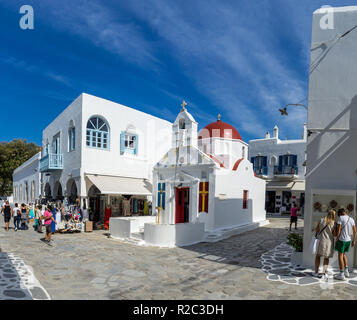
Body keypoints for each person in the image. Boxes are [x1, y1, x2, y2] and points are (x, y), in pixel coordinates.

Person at [312, 210, 337, 279]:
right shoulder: (334, 223)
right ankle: (324, 273)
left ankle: (316, 272)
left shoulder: (321, 220)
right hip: (329, 242)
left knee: (318, 256)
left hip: (321, 241)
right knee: (326, 258)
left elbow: (317, 230)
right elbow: (335, 234)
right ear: (334, 216)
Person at [334, 208, 357, 280]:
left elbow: (339, 230)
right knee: (344, 254)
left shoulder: (341, 218)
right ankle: (346, 271)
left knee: (340, 255)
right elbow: (355, 231)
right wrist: (354, 241)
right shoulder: (351, 219)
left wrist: (336, 239)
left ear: (340, 214)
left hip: (342, 239)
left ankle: (341, 274)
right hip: (348, 240)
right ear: (345, 212)